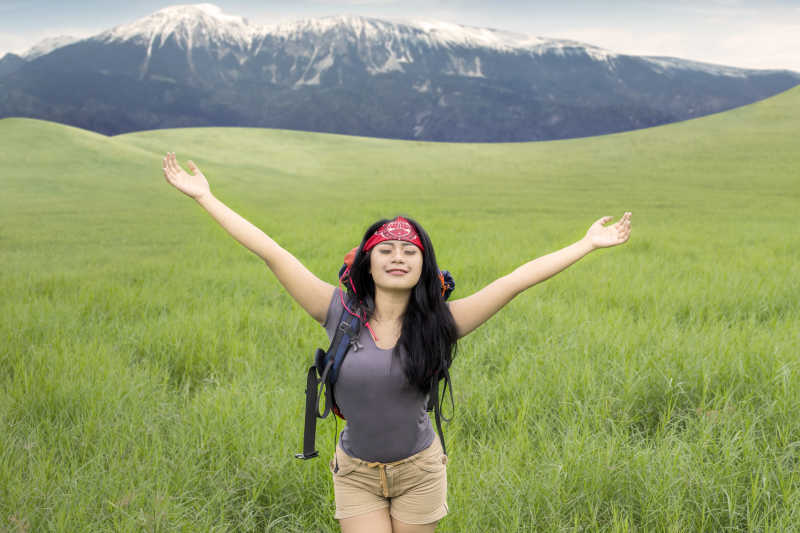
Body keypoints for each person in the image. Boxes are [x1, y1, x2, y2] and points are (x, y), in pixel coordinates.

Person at [161, 152, 632, 533]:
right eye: (385, 250)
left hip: (419, 472)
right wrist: (206, 197)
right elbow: (271, 252)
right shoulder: (338, 312)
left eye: (410, 251)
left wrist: (586, 244)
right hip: (357, 473)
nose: (398, 257)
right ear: (367, 264)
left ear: (424, 267)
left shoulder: (441, 323)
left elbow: (514, 281)